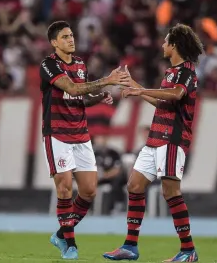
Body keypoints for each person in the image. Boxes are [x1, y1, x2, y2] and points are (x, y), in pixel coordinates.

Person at [103, 23, 204, 262]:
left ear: (175, 45)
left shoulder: (187, 72)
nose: (162, 45)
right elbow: (162, 103)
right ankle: (130, 246)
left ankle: (188, 251)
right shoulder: (171, 73)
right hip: (155, 139)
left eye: (166, 41)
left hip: (172, 139)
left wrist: (141, 90)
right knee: (135, 186)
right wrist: (134, 85)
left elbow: (176, 95)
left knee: (170, 191)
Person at [39, 20, 131, 259]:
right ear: (54, 42)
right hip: (57, 133)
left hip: (80, 134)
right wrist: (107, 81)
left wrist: (99, 96)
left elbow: (81, 97)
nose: (71, 39)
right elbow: (71, 88)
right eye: (65, 37)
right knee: (65, 188)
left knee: (89, 191)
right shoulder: (49, 65)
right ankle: (70, 244)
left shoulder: (80, 64)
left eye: (71, 35)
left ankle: (61, 233)